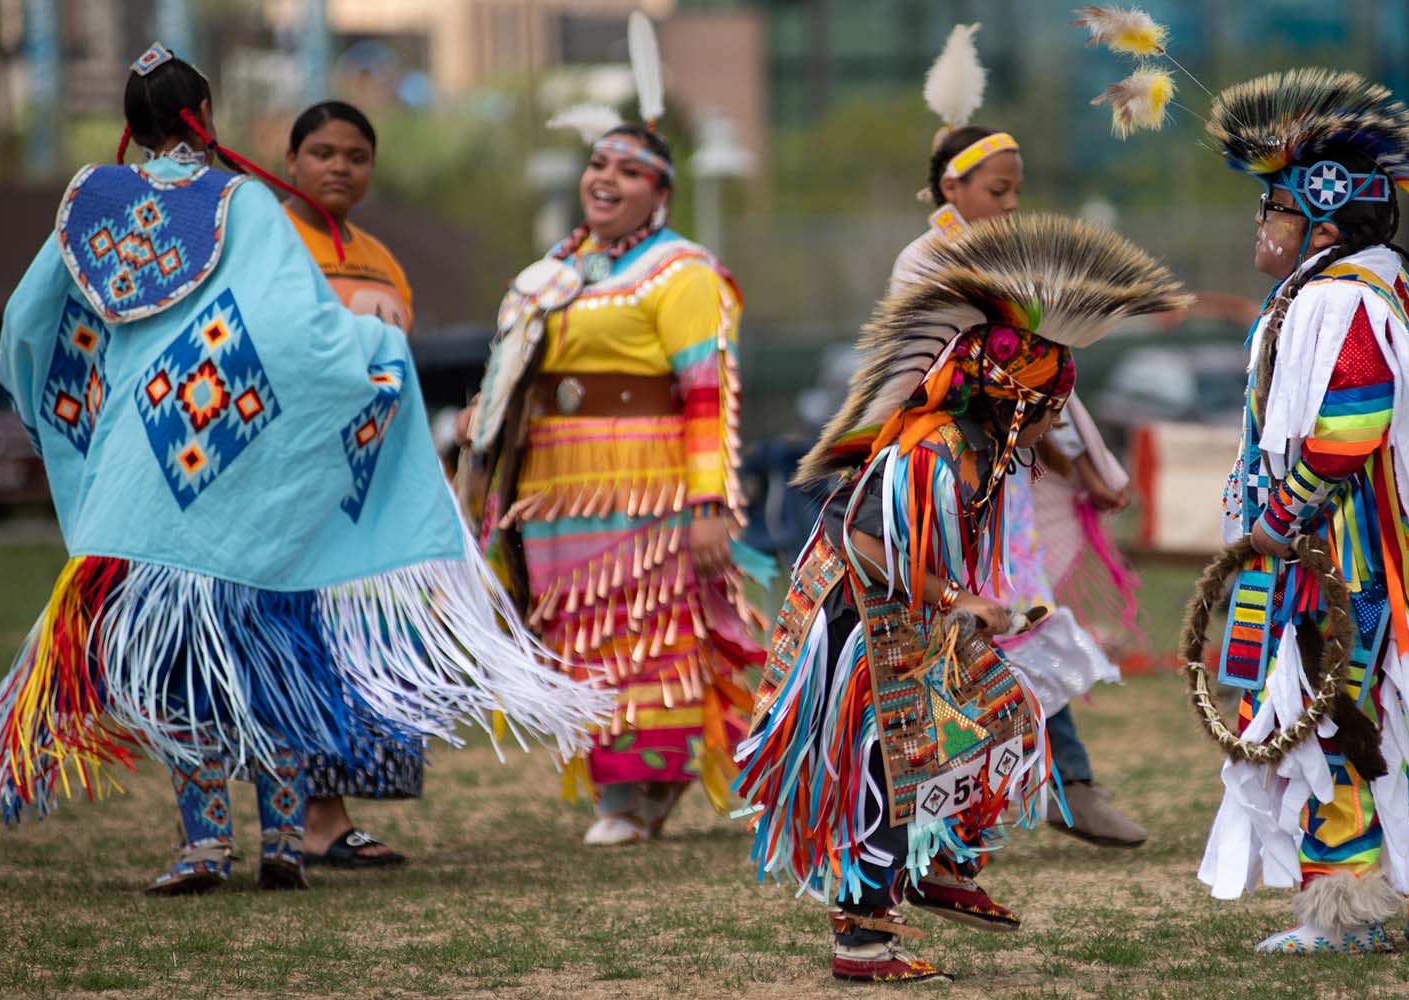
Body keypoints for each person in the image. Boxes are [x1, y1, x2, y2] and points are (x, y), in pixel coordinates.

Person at [0, 44, 609, 894]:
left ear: (132, 124)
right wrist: (372, 355)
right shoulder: (242, 202)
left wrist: (64, 408)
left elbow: (26, 329)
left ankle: (202, 848)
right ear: (207, 118)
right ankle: (284, 846)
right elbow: (301, 331)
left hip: (143, 471)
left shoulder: (93, 203)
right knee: (275, 651)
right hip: (243, 459)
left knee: (180, 663)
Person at [1158, 66, 1409, 954]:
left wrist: (1284, 513)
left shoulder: (1340, 297)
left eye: (1273, 209)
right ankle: (1398, 888)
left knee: (1331, 717)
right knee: (1354, 715)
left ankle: (1347, 916)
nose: (1259, 227)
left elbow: (1348, 429)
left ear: (1325, 218)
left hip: (1342, 558)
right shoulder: (1374, 289)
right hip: (1359, 555)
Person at [735, 212, 1187, 983]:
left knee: (1001, 713)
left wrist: (967, 608)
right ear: (1014, 404)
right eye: (1048, 412)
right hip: (853, 627)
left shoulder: (977, 454)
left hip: (899, 619)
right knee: (879, 768)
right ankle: (865, 942)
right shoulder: (932, 451)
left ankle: (943, 862)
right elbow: (866, 547)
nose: (1053, 427)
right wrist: (959, 601)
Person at [457, 14, 765, 847]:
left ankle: (644, 793)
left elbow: (711, 393)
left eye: (631, 172)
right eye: (600, 163)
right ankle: (614, 786)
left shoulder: (683, 271)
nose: (608, 179)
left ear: (660, 195)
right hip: (555, 484)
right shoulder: (550, 274)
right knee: (577, 632)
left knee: (650, 634)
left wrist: (711, 503)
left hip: (648, 480)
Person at [889, 23, 1148, 851]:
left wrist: (1080, 459)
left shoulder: (1014, 262)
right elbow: (939, 374)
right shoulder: (922, 265)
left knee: (1015, 617)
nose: (1011, 204)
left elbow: (1046, 371)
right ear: (952, 188)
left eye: (1016, 190)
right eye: (998, 191)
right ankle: (952, 793)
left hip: (1009, 477)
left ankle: (1064, 785)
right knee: (944, 623)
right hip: (939, 474)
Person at [282, 99, 418, 868]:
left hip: (362, 485)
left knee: (348, 643)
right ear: (291, 159)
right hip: (285, 476)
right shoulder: (266, 242)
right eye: (323, 152)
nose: (340, 167)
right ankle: (305, 817)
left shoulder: (379, 258)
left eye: (356, 156)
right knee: (294, 641)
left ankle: (326, 813)